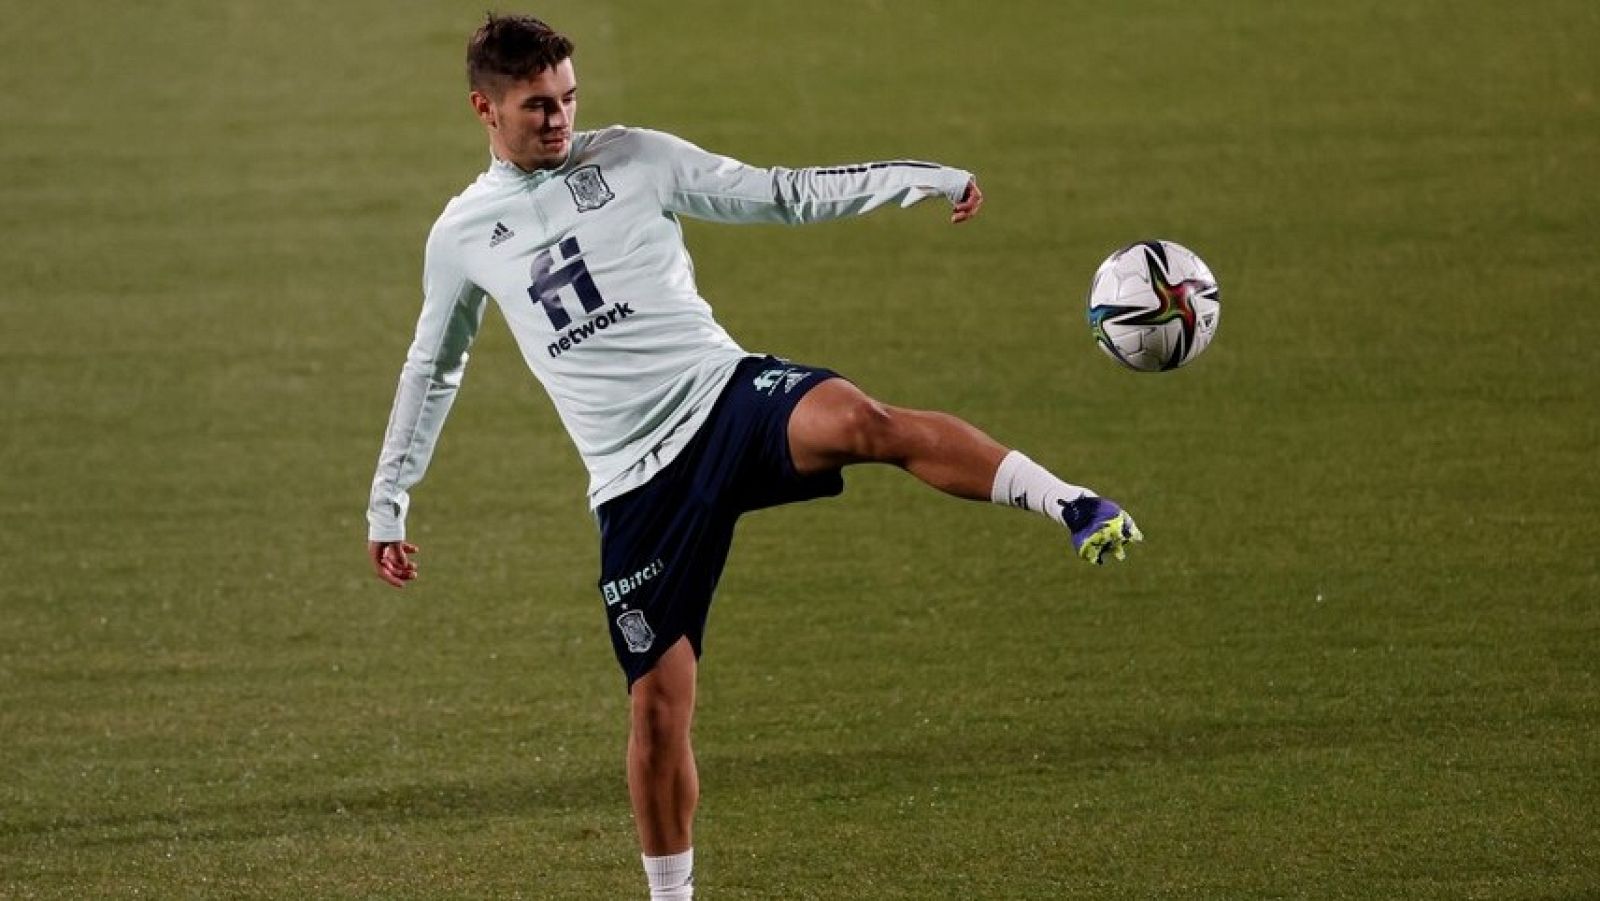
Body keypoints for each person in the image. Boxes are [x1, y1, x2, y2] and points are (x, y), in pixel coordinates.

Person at [365, 14, 1142, 900]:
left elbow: (780, 191)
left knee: (864, 419)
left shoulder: (636, 158)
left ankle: (1065, 500)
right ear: (484, 108)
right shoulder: (462, 234)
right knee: (657, 715)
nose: (560, 119)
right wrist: (389, 501)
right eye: (537, 106)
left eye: (569, 98)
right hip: (634, 484)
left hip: (724, 400)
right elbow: (433, 366)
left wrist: (920, 179)